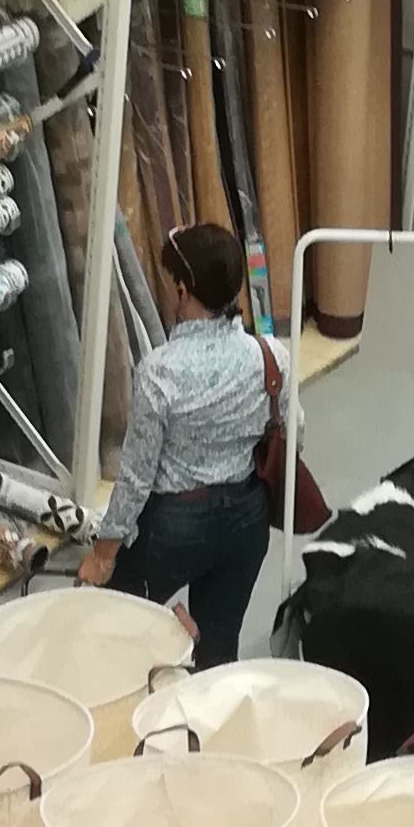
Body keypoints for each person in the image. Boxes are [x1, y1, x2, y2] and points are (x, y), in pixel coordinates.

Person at [77, 219, 271, 667]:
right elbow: (292, 430)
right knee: (218, 649)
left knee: (111, 632)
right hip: (247, 521)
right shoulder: (267, 356)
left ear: (183, 290)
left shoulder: (160, 371)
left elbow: (136, 478)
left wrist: (103, 555)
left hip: (174, 529)